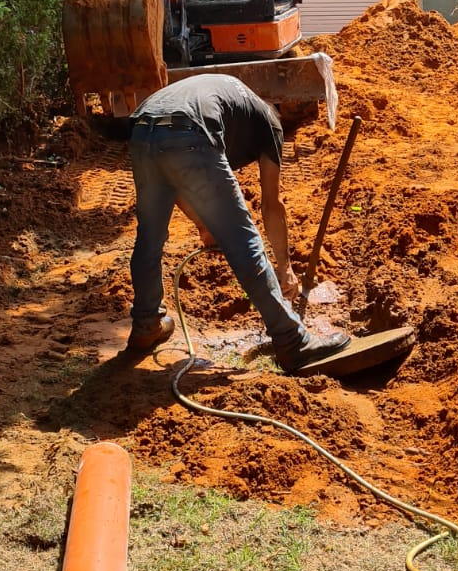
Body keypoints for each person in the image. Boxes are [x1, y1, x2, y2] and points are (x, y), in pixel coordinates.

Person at [125, 73, 349, 372]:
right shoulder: (270, 123)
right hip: (191, 129)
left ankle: (146, 324)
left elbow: (176, 183)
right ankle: (292, 340)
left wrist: (204, 225)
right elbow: (272, 205)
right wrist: (285, 268)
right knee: (244, 241)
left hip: (142, 131)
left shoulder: (235, 103)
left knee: (149, 237)